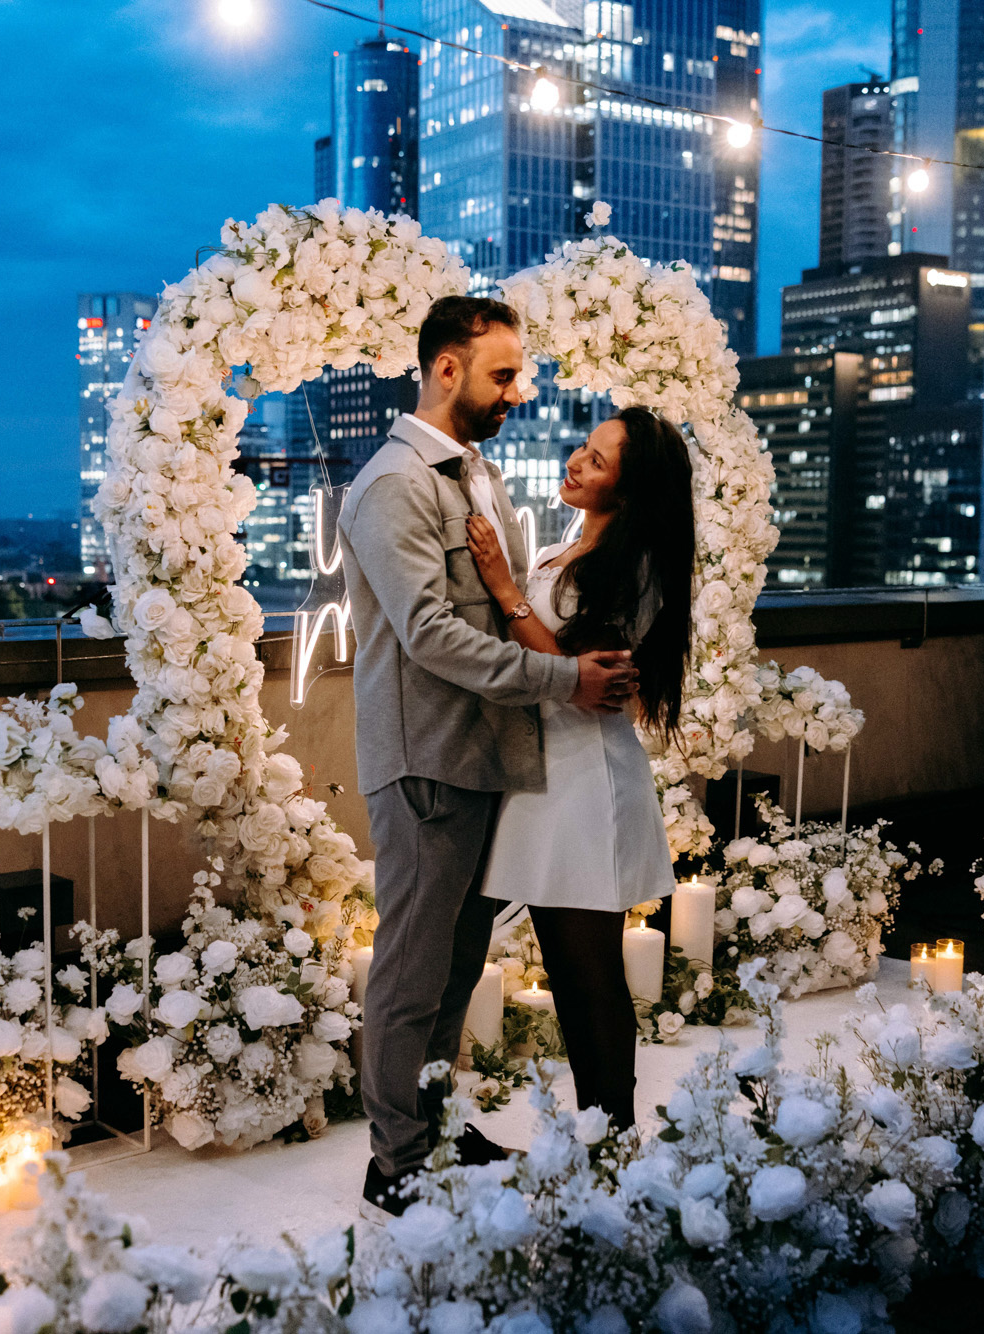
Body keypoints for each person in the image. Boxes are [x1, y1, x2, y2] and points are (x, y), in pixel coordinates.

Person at [338, 295, 640, 1218]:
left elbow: (506, 604)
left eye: (520, 374)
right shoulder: (396, 483)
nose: (519, 391)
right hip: (428, 760)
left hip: (477, 762)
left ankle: (430, 1129)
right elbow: (429, 634)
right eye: (504, 373)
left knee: (454, 968)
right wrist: (563, 685)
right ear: (445, 370)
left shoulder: (472, 473)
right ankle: (395, 1164)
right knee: (411, 968)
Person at [463, 404, 695, 1132]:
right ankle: (606, 1135)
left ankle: (612, 1137)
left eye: (597, 460)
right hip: (548, 775)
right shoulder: (571, 550)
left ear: (630, 489)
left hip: (585, 783)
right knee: (572, 973)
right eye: (583, 447)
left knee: (588, 976)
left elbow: (579, 674)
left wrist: (504, 587)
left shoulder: (636, 565)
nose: (576, 461)